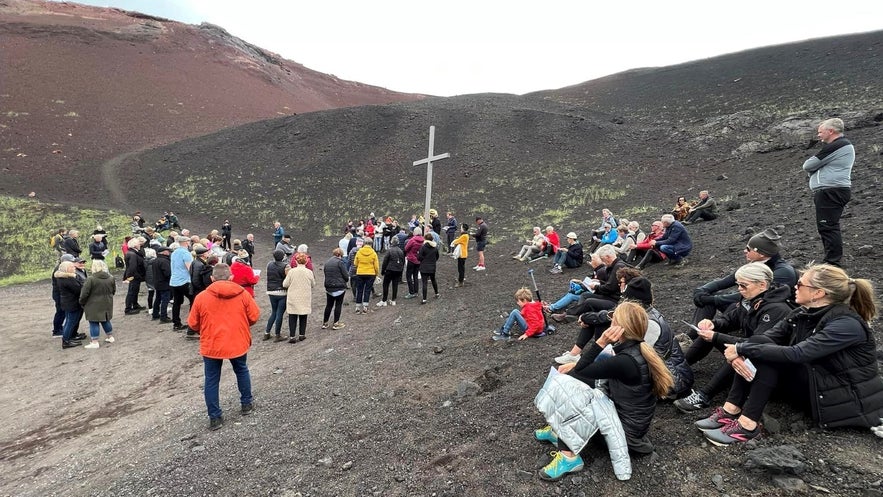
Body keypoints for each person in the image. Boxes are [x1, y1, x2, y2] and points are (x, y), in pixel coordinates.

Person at [697, 264, 883, 445]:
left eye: (800, 284)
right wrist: (738, 351)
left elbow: (798, 354)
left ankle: (747, 425)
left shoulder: (846, 325)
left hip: (844, 399)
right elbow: (764, 338)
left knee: (769, 356)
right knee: (762, 345)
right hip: (817, 383)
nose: (795, 286)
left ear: (818, 293)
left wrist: (740, 349)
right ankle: (730, 410)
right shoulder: (803, 312)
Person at [533, 302, 674, 480]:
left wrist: (600, 342)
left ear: (619, 328)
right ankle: (558, 430)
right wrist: (575, 364)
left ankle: (569, 457)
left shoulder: (626, 361)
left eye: (612, 320)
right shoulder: (636, 349)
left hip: (625, 433)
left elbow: (583, 370)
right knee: (576, 379)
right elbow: (593, 368)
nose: (609, 325)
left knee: (568, 391)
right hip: (630, 423)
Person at [675, 263, 792, 412]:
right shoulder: (751, 300)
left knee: (739, 352)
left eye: (743, 285)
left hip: (771, 362)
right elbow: (730, 320)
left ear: (762, 285)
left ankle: (704, 395)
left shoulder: (777, 310)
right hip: (753, 348)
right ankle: (681, 368)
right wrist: (712, 324)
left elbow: (757, 344)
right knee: (712, 336)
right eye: (738, 285)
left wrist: (716, 336)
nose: (739, 289)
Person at [553, 275, 694, 399]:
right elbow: (610, 319)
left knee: (582, 376)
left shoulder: (650, 325)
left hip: (673, 380)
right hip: (663, 372)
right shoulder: (643, 316)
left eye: (624, 301)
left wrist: (583, 365)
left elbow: (627, 361)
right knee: (588, 370)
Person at [188, 263, 260, 431]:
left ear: (212, 278)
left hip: (212, 343)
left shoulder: (202, 297)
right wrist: (242, 325)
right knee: (241, 370)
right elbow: (254, 316)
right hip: (237, 340)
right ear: (231, 277)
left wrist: (205, 330)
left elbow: (192, 323)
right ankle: (246, 404)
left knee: (212, 379)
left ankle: (215, 417)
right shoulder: (242, 294)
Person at [688, 228, 797, 337]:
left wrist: (712, 299)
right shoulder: (756, 264)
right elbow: (728, 280)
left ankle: (709, 335)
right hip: (751, 308)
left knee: (730, 305)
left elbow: (747, 295)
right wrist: (702, 290)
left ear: (761, 254)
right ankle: (692, 335)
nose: (745, 251)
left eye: (748, 249)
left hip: (769, 316)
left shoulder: (783, 272)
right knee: (707, 300)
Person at [802, 118, 854, 267]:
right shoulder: (840, 146)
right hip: (832, 191)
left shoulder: (836, 145)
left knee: (828, 226)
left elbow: (808, 165)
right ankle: (831, 261)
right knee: (827, 226)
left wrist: (814, 170)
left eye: (820, 132)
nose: (818, 135)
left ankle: (832, 262)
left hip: (831, 191)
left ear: (830, 131)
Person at [551, 245, 624, 322]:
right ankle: (572, 314)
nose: (603, 262)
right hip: (611, 297)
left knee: (589, 301)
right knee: (586, 295)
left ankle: (570, 315)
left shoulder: (617, 267)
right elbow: (611, 284)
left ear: (608, 257)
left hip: (615, 300)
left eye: (603, 259)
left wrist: (596, 287)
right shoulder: (616, 266)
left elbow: (611, 287)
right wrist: (599, 282)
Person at [79, 260, 116, 348]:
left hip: (93, 304)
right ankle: (110, 337)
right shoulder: (111, 278)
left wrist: (82, 302)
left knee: (93, 322)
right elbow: (113, 291)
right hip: (107, 302)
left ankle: (95, 342)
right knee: (106, 320)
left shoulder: (91, 279)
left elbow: (84, 294)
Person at [282, 253, 315, 343]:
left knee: (292, 316)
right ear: (306, 261)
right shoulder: (309, 272)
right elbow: (313, 284)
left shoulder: (292, 272)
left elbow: (285, 284)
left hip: (293, 296)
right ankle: (302, 334)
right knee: (303, 315)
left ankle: (292, 336)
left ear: (296, 261)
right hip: (305, 296)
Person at [55, 260, 85, 349]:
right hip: (72, 303)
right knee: (71, 321)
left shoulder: (63, 278)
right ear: (67, 269)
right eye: (72, 267)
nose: (74, 268)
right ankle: (66, 340)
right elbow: (78, 289)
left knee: (70, 321)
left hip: (68, 302)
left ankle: (70, 337)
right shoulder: (68, 279)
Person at [263, 250, 288, 341]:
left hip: (271, 291)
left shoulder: (269, 264)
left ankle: (267, 332)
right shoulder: (285, 266)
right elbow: (287, 279)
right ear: (283, 257)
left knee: (273, 312)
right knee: (279, 313)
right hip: (281, 292)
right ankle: (277, 335)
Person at [169, 236, 193, 332]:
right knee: (193, 300)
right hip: (185, 280)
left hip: (174, 281)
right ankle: (192, 322)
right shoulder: (186, 253)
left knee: (177, 302)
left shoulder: (174, 253)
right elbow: (190, 268)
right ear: (186, 242)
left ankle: (176, 323)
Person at [322, 247, 349, 330]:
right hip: (339, 287)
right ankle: (336, 323)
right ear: (340, 255)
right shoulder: (340, 263)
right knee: (338, 305)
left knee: (329, 305)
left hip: (329, 287)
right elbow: (345, 275)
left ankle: (325, 323)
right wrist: (346, 280)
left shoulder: (327, 262)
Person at [353, 237, 380, 314]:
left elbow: (355, 263)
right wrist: (376, 274)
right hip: (370, 274)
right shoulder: (373, 253)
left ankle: (357, 307)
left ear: (364, 243)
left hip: (360, 273)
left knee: (359, 290)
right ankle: (365, 307)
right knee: (367, 290)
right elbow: (376, 266)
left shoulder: (359, 252)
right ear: (371, 244)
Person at [378, 237, 405, 307]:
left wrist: (382, 271)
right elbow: (403, 262)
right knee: (395, 285)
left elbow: (385, 262)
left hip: (389, 270)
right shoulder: (401, 251)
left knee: (385, 284)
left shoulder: (389, 251)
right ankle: (393, 300)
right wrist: (401, 271)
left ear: (391, 242)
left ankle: (384, 300)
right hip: (398, 270)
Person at [123, 237, 146, 315]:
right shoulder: (132, 254)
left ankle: (135, 304)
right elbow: (133, 267)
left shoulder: (132, 253)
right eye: (138, 243)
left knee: (135, 290)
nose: (140, 245)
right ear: (135, 245)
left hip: (134, 275)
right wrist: (137, 276)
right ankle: (128, 308)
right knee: (132, 291)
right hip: (134, 276)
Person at [151, 245, 173, 323]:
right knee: (165, 300)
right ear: (164, 252)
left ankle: (155, 314)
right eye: (168, 251)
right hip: (164, 283)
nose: (169, 252)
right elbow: (167, 273)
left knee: (158, 299)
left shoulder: (155, 260)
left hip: (157, 283)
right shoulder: (164, 261)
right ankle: (163, 317)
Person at [417, 233, 440, 304]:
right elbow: (437, 257)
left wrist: (423, 260)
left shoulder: (423, 247)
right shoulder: (435, 248)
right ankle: (437, 293)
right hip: (432, 267)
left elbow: (419, 257)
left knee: (424, 283)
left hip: (424, 267)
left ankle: (424, 299)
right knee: (433, 280)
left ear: (425, 239)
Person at [403, 228, 424, 299]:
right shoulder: (423, 240)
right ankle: (416, 291)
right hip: (418, 260)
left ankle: (411, 292)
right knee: (415, 276)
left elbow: (406, 248)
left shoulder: (412, 240)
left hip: (411, 259)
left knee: (408, 276)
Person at [452, 223, 469, 287]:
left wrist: (453, 241)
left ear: (463, 229)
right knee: (461, 268)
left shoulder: (464, 236)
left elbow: (457, 241)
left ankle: (460, 282)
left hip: (462, 254)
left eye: (461, 227)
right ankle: (460, 279)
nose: (460, 229)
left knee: (461, 268)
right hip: (463, 254)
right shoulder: (465, 235)